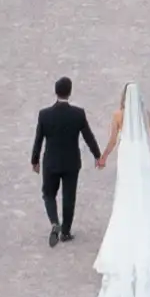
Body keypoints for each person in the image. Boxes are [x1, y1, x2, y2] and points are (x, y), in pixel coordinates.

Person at [90, 79, 150, 297]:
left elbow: (112, 139)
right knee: (142, 200)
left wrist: (104, 156)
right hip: (141, 161)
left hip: (127, 161)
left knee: (125, 199)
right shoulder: (146, 115)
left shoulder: (119, 115)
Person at [31, 76, 102, 245]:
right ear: (70, 92)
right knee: (69, 197)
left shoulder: (44, 115)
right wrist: (97, 155)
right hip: (71, 163)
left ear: (56, 92)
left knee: (48, 194)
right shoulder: (78, 114)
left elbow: (38, 139)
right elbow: (88, 136)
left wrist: (35, 160)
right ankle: (66, 232)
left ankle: (55, 222)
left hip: (51, 162)